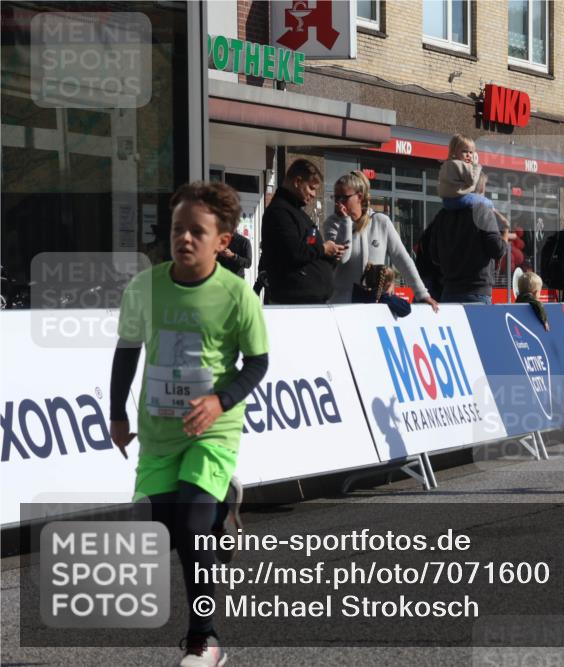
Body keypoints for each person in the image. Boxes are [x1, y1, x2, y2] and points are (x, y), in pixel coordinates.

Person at [110, 181, 269, 667]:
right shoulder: (146, 286)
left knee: (192, 527)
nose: (184, 239)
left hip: (211, 431)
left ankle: (206, 640)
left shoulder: (237, 295)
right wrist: (116, 414)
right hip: (159, 433)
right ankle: (223, 510)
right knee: (164, 531)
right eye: (178, 229)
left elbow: (257, 364)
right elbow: (127, 353)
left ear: (223, 241)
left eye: (197, 232)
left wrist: (221, 402)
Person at [325, 170, 438, 310]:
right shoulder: (332, 223)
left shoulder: (380, 221)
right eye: (335, 198)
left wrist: (422, 294)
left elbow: (402, 259)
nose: (338, 203)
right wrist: (345, 221)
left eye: (343, 198)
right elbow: (343, 258)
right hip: (343, 304)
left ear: (359, 197)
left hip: (374, 303)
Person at [259, 159, 346, 304]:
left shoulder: (297, 213)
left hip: (308, 301)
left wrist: (329, 256)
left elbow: (308, 250)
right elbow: (294, 252)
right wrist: (324, 249)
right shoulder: (279, 212)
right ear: (297, 181)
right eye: (311, 188)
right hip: (293, 305)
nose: (313, 194)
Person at [427, 184, 508, 305]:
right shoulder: (483, 210)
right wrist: (505, 231)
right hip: (476, 292)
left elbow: (434, 256)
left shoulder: (443, 214)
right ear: (481, 189)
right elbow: (497, 250)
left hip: (449, 291)